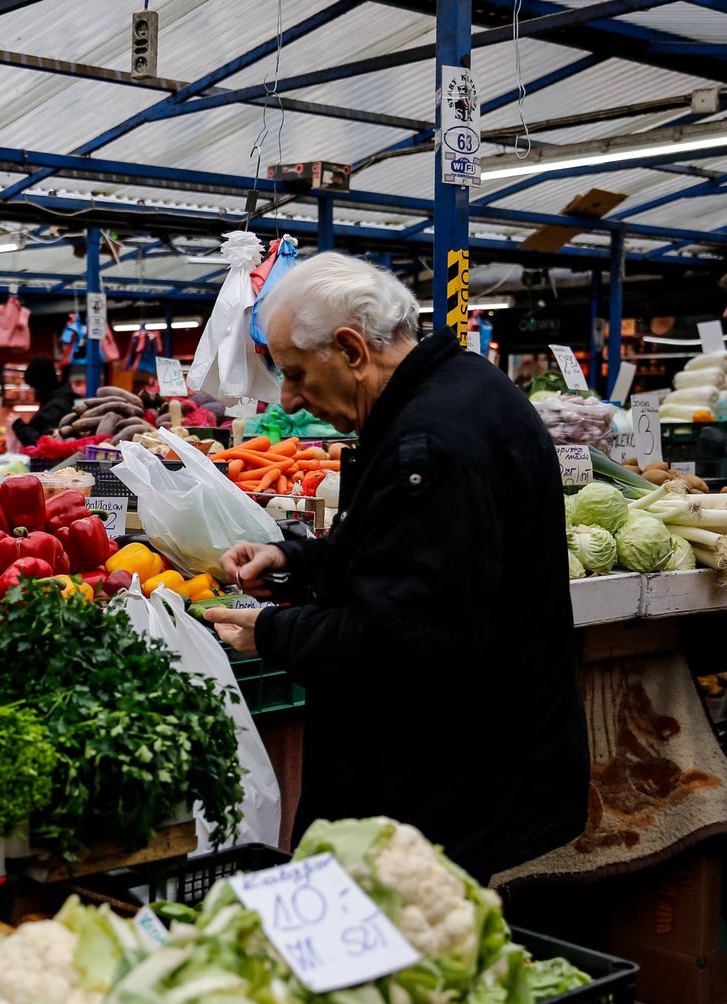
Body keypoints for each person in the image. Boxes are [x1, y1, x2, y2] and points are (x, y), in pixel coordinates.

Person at [202, 253, 588, 882]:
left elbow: (406, 638)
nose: (291, 399)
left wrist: (271, 633)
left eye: (296, 374)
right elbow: (405, 556)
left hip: (447, 778)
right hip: (474, 757)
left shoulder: (431, 445)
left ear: (352, 350)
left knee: (410, 959)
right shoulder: (463, 388)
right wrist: (294, 559)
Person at [11, 358, 75, 447]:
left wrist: (18, 425)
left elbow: (42, 441)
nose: (29, 390)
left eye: (31, 386)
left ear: (40, 385)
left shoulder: (56, 406)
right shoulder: (54, 401)